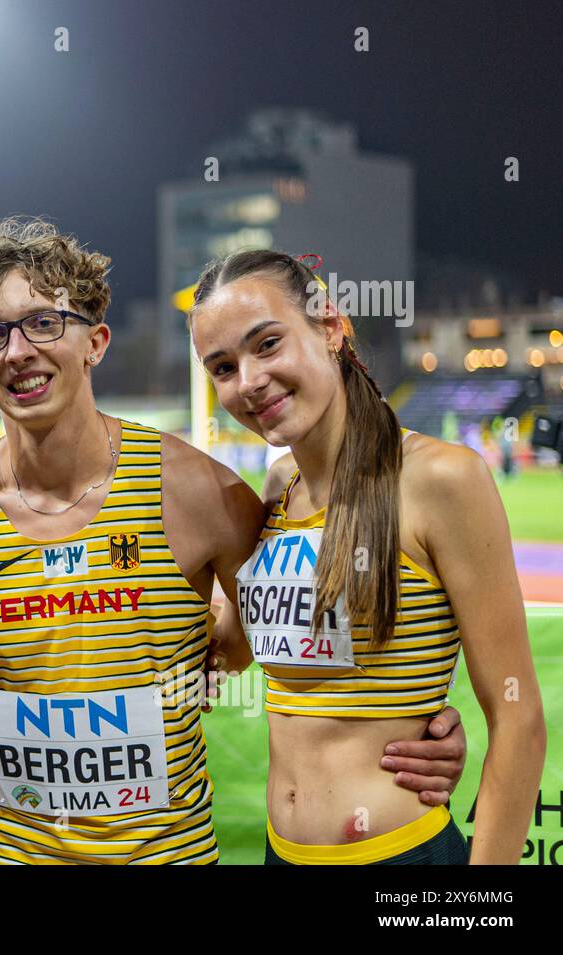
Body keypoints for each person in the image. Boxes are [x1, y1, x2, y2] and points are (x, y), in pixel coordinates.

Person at [0, 217, 469, 864]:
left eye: (44, 322)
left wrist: (422, 724)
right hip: (8, 854)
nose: (18, 349)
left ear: (96, 342)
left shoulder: (199, 492)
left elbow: (283, 633)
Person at [190, 250, 545, 864]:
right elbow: (234, 652)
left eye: (267, 344)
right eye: (223, 367)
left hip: (402, 861)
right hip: (283, 854)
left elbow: (519, 721)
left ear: (330, 327)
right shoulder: (276, 487)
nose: (247, 380)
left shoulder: (441, 480)